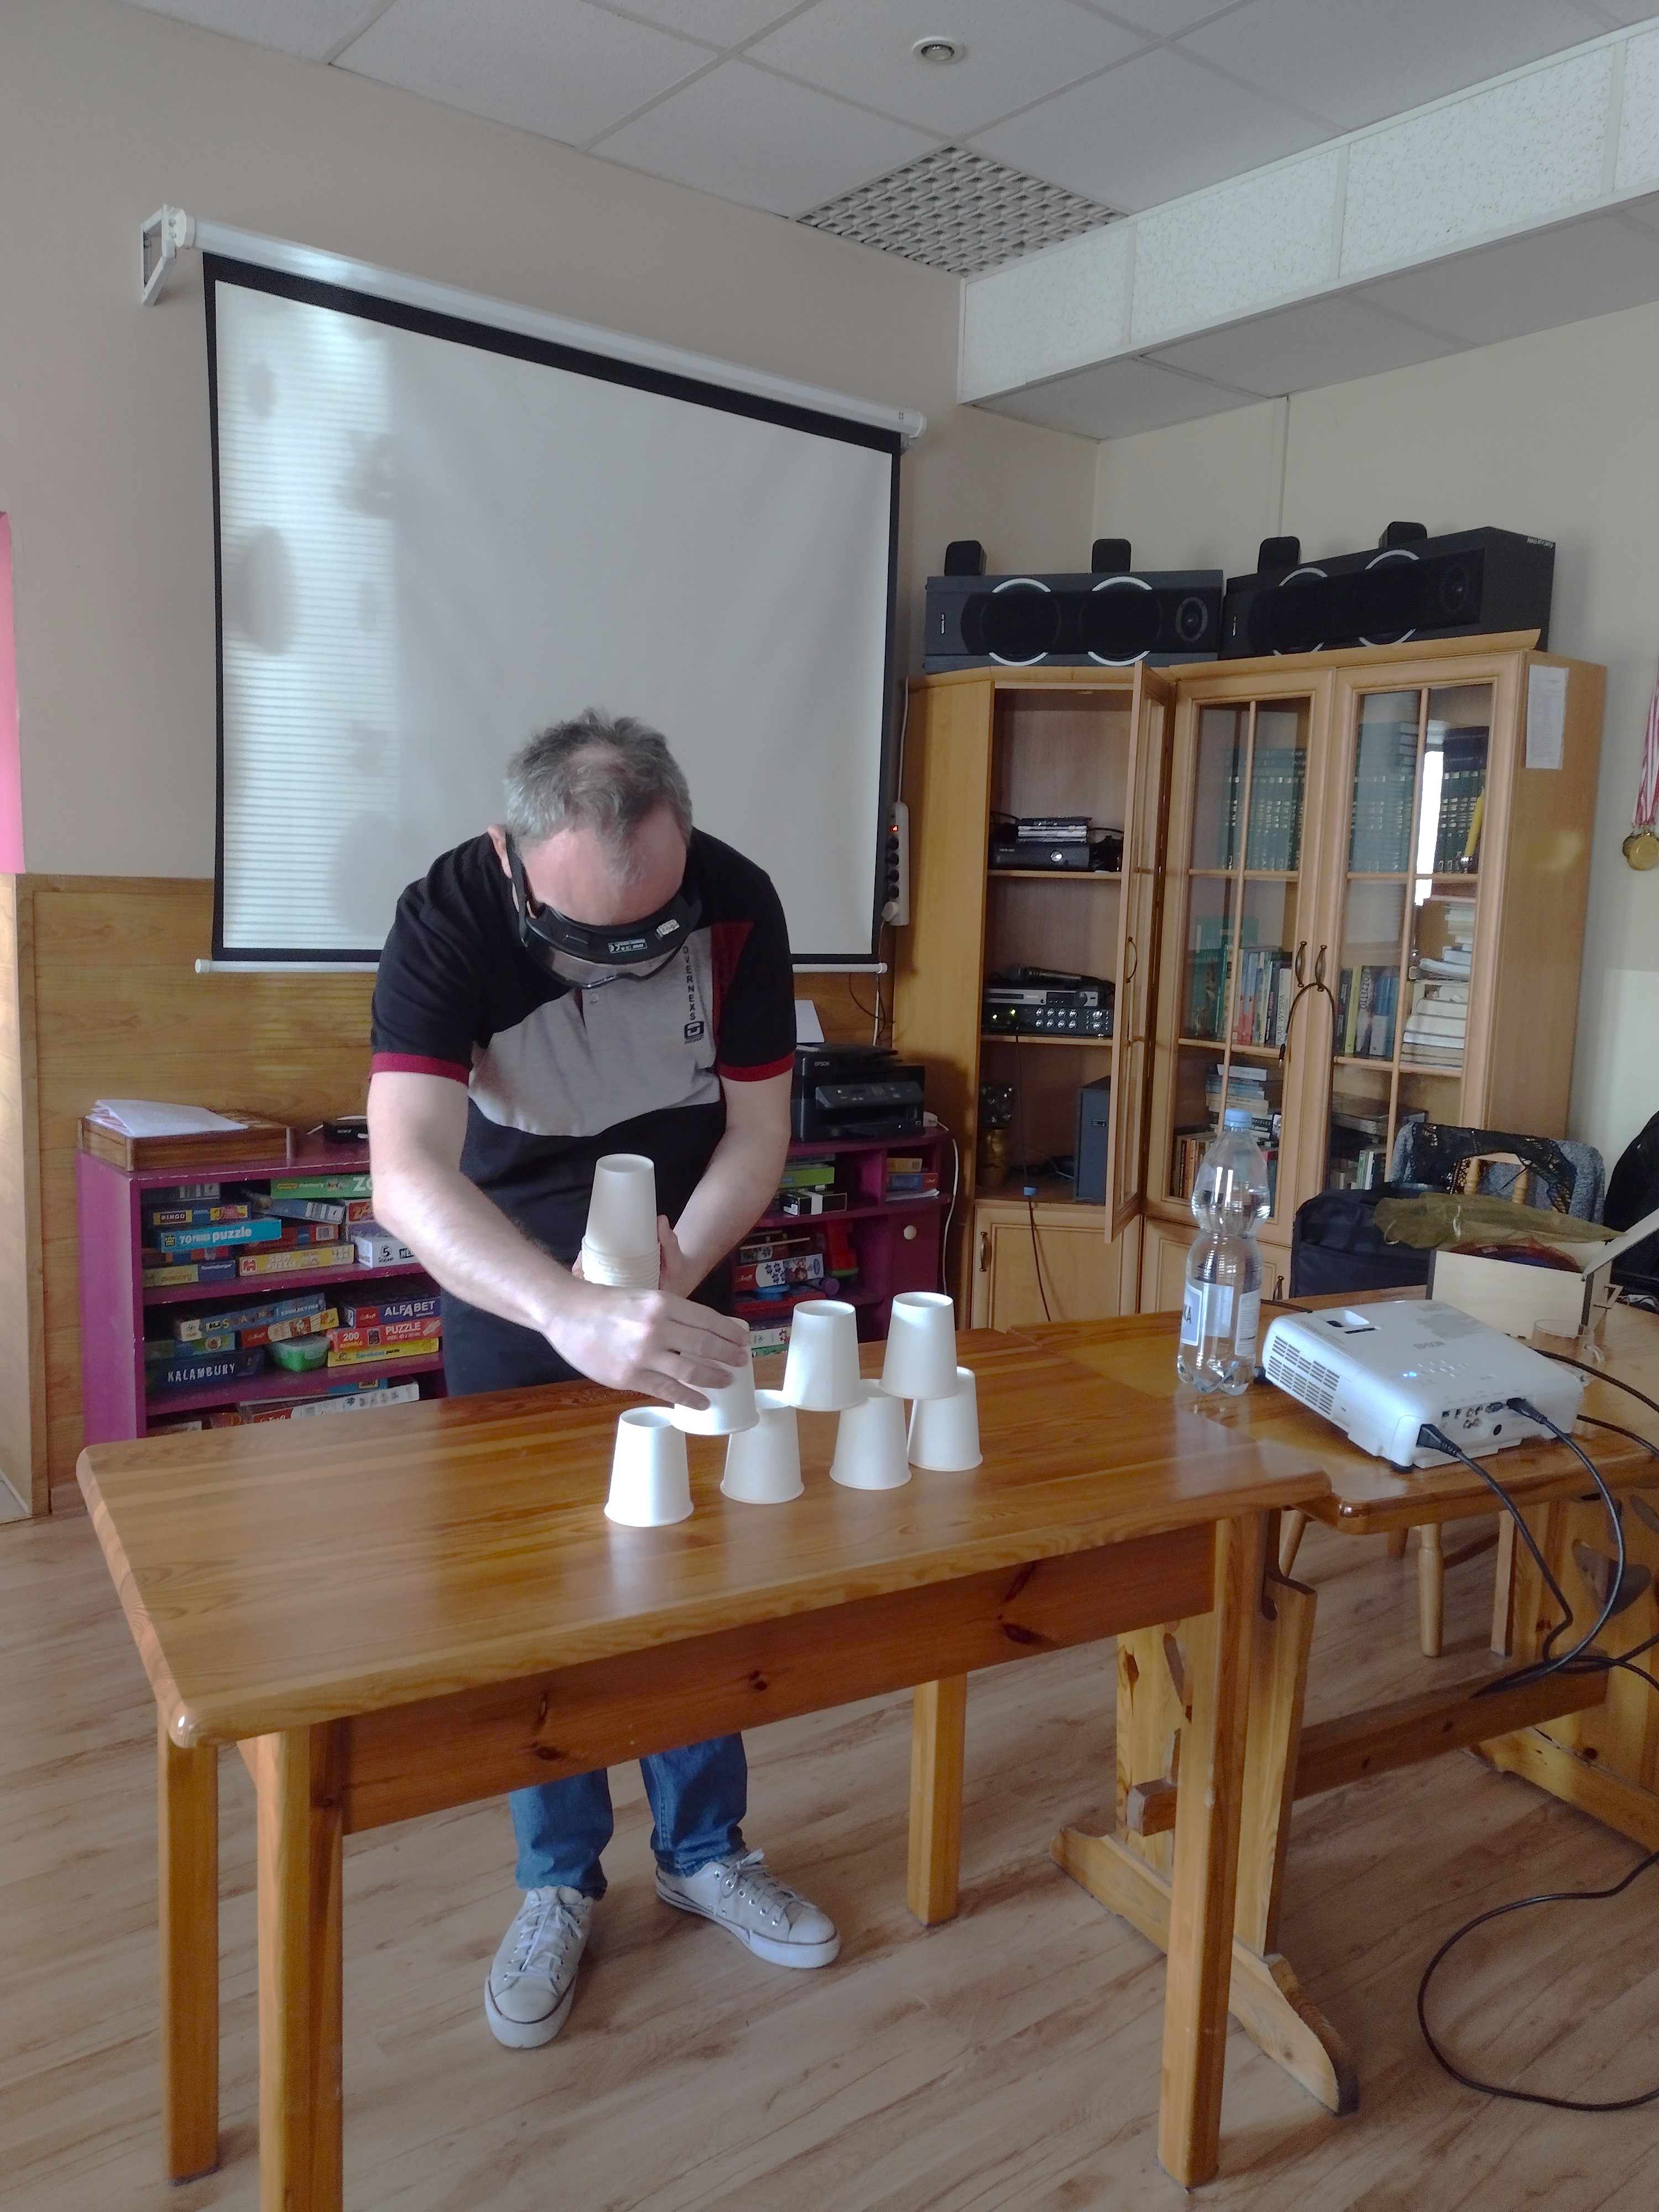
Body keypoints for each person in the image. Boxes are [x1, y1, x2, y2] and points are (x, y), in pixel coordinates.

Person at [366, 709, 839, 2051]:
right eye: (588, 941)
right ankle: (559, 1880)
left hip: (681, 1260)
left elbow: (760, 1130)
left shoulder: (737, 899)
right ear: (514, 860)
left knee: (691, 1570)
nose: (625, 963)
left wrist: (674, 1273)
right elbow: (406, 1172)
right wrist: (570, 1312)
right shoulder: (447, 917)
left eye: (651, 933)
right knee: (542, 1593)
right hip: (516, 1278)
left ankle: (704, 1849)